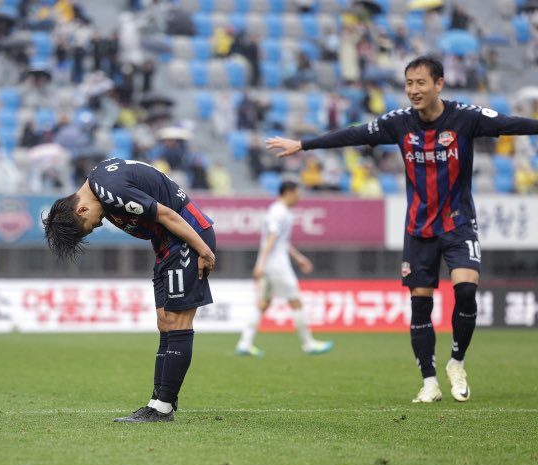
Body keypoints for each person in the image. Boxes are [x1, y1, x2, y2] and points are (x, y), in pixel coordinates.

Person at [266, 56, 538, 403]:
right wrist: (304, 145)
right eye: (409, 83)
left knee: (466, 292)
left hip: (458, 224)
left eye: (421, 83)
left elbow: (512, 124)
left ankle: (456, 362)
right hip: (418, 229)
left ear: (439, 84)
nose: (413, 90)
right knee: (420, 306)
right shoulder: (399, 123)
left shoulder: (465, 118)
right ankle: (429, 381)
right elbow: (354, 134)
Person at [43, 158, 216, 422]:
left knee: (178, 321)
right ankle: (159, 400)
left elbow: (168, 215)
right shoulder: (102, 188)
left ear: (80, 210)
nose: (97, 226)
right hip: (165, 243)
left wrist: (203, 249)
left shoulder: (112, 191)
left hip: (187, 237)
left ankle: (162, 408)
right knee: (165, 322)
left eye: (88, 226)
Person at [235, 181, 333, 358]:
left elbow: (281, 241)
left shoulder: (279, 211)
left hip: (271, 265)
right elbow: (271, 238)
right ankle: (308, 344)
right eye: (297, 193)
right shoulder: (279, 212)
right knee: (296, 302)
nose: (299, 196)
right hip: (277, 266)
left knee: (263, 304)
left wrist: (298, 258)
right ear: (288, 192)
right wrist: (261, 264)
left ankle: (244, 343)